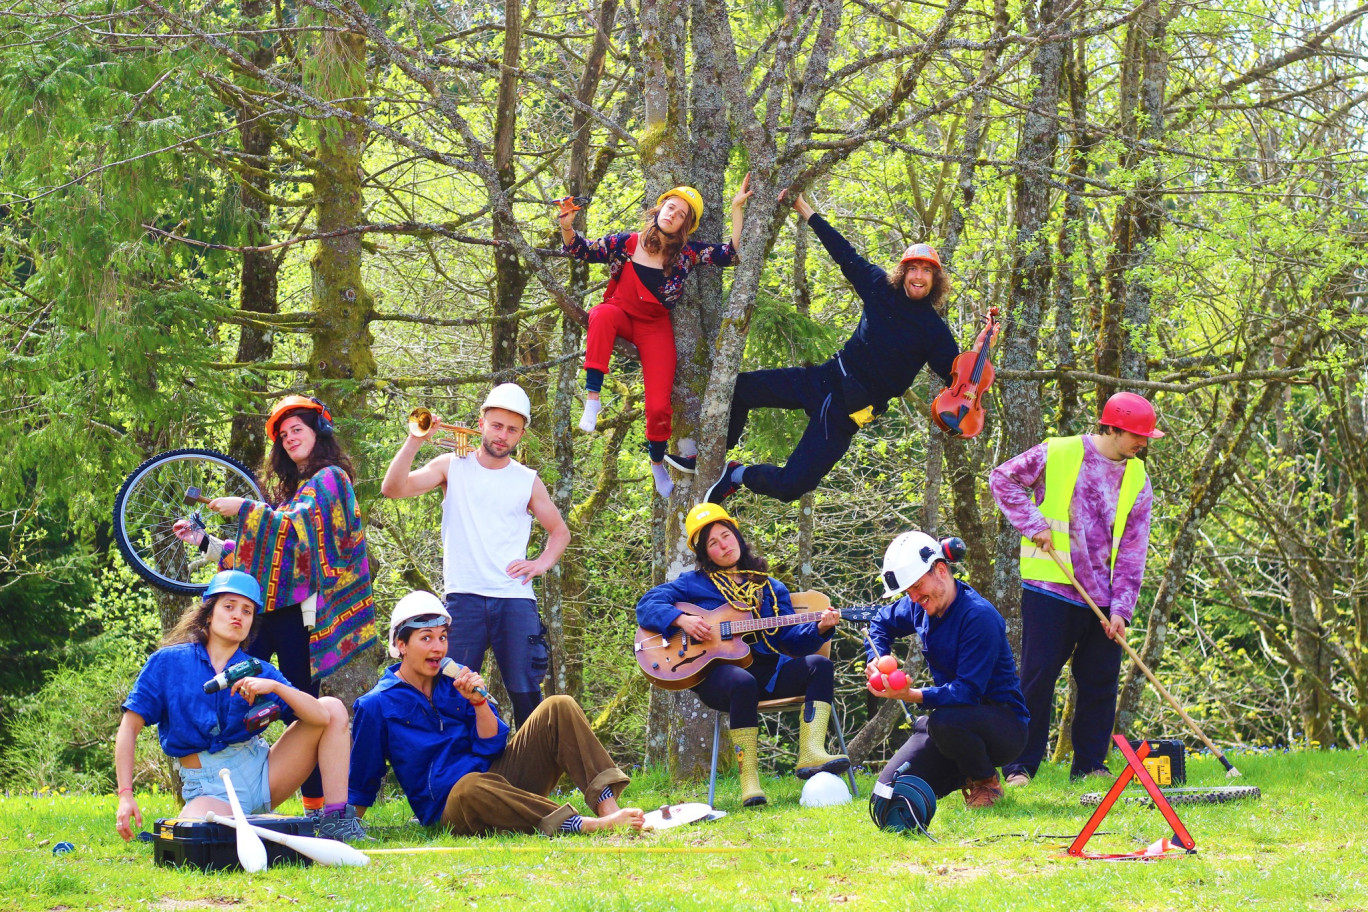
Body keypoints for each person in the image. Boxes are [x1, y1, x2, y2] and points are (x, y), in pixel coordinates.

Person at [668, 192, 958, 504]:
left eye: (926, 271)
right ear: (903, 272)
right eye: (913, 268)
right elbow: (844, 253)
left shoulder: (934, 332)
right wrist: (804, 209)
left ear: (935, 280)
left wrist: (981, 352)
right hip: (824, 379)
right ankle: (710, 458)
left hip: (846, 412)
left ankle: (735, 475)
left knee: (791, 486)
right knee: (739, 388)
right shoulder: (879, 286)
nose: (918, 276)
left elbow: (959, 382)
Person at [173, 394, 376, 814]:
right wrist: (206, 543)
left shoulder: (332, 480)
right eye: (282, 436)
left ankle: (320, 810)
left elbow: (293, 526)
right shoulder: (290, 494)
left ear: (318, 431)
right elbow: (264, 555)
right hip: (263, 612)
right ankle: (209, 790)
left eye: (296, 430)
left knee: (305, 708)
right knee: (223, 686)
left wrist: (245, 508)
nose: (288, 439)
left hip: (301, 618)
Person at [348, 592, 644, 836]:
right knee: (469, 785)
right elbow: (363, 778)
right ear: (400, 645)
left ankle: (609, 810)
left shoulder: (455, 678)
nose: (438, 647)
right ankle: (585, 826)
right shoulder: (375, 705)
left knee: (559, 705)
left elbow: (492, 746)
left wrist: (478, 703)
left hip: (500, 782)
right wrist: (350, 827)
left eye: (442, 637)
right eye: (426, 638)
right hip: (454, 806)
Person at [114, 571, 365, 842]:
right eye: (229, 606)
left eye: (247, 611)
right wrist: (126, 795)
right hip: (209, 787)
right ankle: (210, 824)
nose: (238, 616)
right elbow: (129, 728)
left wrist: (276, 688)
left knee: (333, 706)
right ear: (209, 613)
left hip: (263, 774)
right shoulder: (166, 662)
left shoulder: (260, 670)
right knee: (203, 839)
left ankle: (337, 823)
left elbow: (321, 717)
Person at [989, 391, 1162, 785]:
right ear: (1113, 428)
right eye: (1138, 435)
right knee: (1037, 677)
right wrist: (1034, 525)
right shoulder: (1060, 451)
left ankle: (1090, 765)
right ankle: (1019, 766)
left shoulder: (1138, 478)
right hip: (1051, 586)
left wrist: (1121, 609)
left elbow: (1134, 549)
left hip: (1102, 599)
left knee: (1100, 682)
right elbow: (1003, 478)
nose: (1144, 443)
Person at [381, 383, 570, 728]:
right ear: (481, 422)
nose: (503, 436)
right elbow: (392, 488)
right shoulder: (451, 465)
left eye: (512, 430)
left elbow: (560, 532)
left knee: (527, 692)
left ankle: (541, 780)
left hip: (514, 598)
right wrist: (416, 439)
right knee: (451, 692)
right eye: (497, 426)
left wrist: (541, 563)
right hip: (463, 597)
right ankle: (461, 775)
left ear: (521, 435)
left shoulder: (527, 480)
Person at [635, 503, 847, 807]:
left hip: (767, 672)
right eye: (713, 543)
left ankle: (810, 753)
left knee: (819, 665)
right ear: (705, 554)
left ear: (737, 535)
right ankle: (749, 781)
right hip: (719, 678)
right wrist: (680, 620)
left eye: (726, 536)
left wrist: (821, 629)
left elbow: (791, 642)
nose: (723, 546)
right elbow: (647, 604)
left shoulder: (770, 587)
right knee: (742, 681)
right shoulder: (694, 584)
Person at [559, 179, 752, 499]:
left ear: (686, 225)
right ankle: (593, 399)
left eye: (681, 214)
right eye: (670, 207)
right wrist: (567, 226)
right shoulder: (626, 242)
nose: (673, 214)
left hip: (654, 327)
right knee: (600, 315)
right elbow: (581, 249)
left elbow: (731, 254)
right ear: (660, 208)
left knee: (660, 404)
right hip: (620, 312)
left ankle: (656, 463)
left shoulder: (689, 254)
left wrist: (736, 208)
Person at [863, 532, 1029, 809]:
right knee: (889, 794)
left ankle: (986, 781)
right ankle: (962, 769)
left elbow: (966, 693)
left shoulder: (979, 617)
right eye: (908, 592)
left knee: (945, 721)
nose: (913, 598)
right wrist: (878, 658)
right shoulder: (920, 603)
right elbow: (881, 622)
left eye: (917, 587)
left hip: (1003, 727)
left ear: (940, 570)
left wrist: (910, 694)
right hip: (951, 724)